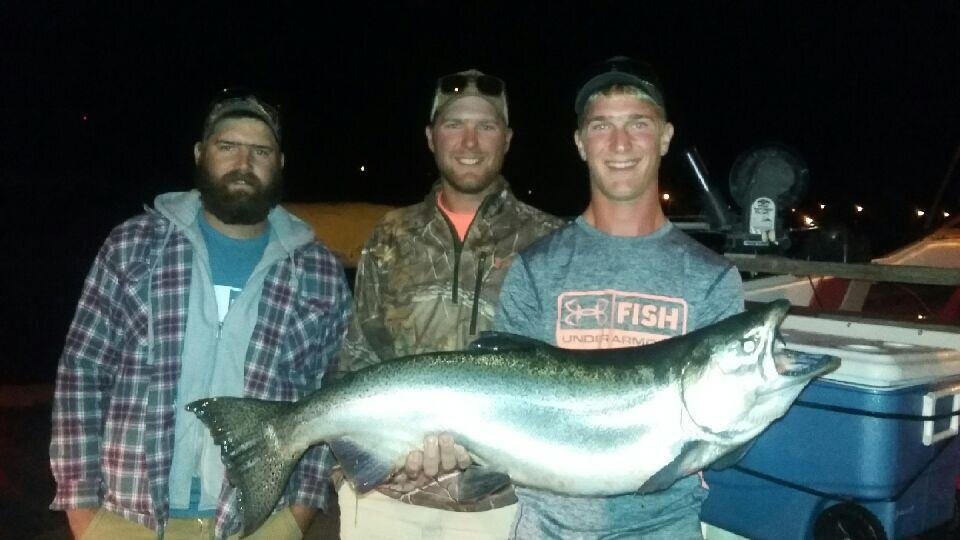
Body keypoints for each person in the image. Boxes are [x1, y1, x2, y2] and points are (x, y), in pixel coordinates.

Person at [49, 89, 352, 540]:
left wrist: (300, 511)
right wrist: (81, 508)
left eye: (260, 151)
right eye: (227, 146)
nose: (243, 163)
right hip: (126, 516)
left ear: (280, 163)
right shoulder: (134, 246)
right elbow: (83, 373)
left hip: (259, 521)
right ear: (200, 153)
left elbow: (329, 398)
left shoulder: (318, 271)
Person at [494, 57, 745, 539]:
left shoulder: (712, 279)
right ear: (580, 143)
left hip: (663, 528)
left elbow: (724, 447)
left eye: (638, 124)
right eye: (601, 126)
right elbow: (501, 405)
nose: (621, 143)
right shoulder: (536, 269)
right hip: (548, 529)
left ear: (665, 137)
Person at [335, 69, 564, 538]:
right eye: (454, 124)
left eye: (486, 126)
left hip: (506, 508)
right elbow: (357, 356)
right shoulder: (391, 235)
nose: (469, 142)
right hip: (387, 499)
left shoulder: (551, 241)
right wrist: (348, 465)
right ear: (431, 137)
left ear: (507, 139)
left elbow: (563, 380)